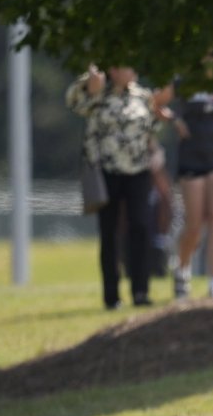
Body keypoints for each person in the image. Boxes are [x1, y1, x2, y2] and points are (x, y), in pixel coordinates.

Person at [66, 65, 170, 310]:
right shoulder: (98, 94)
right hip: (107, 170)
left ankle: (140, 290)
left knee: (141, 227)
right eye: (126, 67)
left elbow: (150, 128)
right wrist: (90, 85)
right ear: (113, 71)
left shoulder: (142, 96)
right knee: (109, 232)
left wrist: (160, 115)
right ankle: (111, 296)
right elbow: (74, 103)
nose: (133, 71)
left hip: (138, 170)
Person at [170, 81, 213, 300]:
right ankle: (182, 268)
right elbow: (156, 102)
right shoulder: (186, 80)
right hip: (192, 156)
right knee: (194, 223)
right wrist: (174, 120)